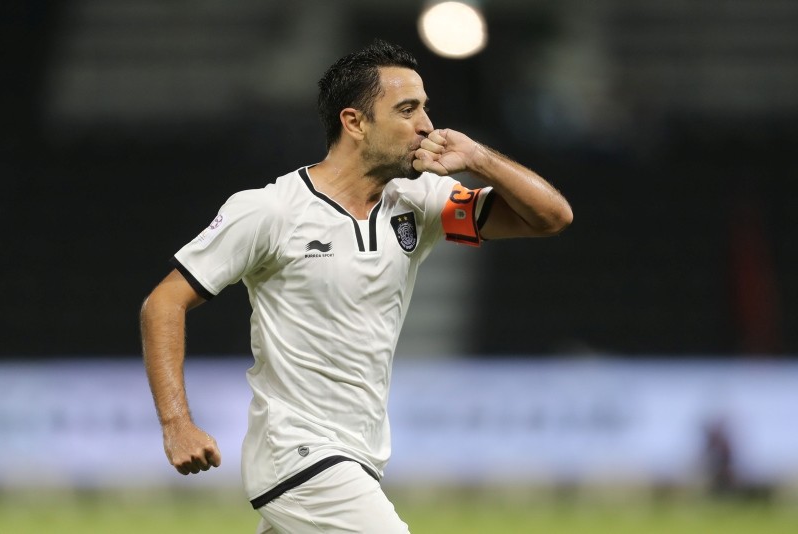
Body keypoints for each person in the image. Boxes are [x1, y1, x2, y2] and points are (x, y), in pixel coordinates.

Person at [140, 39, 572, 533]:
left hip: (361, 450)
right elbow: (164, 302)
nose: (426, 126)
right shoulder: (272, 211)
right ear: (355, 122)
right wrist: (177, 424)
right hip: (297, 453)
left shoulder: (421, 202)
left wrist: (479, 158)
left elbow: (551, 217)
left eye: (425, 109)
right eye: (407, 110)